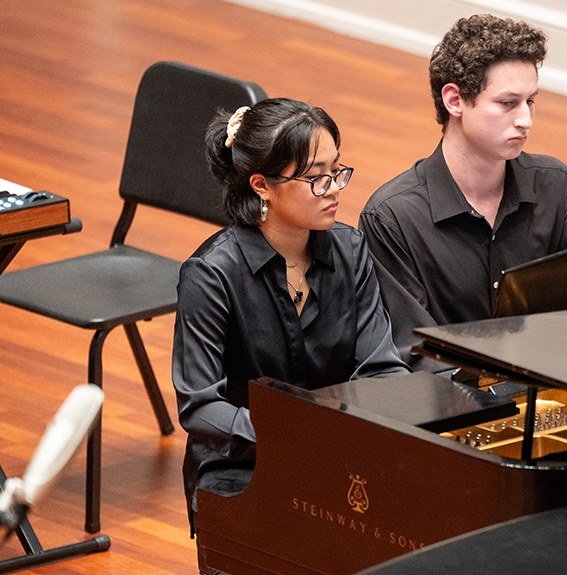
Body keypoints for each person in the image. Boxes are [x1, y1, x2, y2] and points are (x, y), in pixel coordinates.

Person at [173, 98, 409, 520]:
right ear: (262, 185)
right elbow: (201, 406)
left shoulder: (351, 250)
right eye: (317, 178)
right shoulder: (211, 275)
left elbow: (381, 368)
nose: (334, 188)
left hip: (338, 457)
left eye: (337, 171)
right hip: (241, 466)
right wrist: (297, 437)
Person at [361, 14, 567, 371]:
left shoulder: (558, 188)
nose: (525, 120)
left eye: (530, 102)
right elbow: (415, 352)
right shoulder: (392, 218)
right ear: (454, 100)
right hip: (450, 411)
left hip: (547, 391)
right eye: (507, 103)